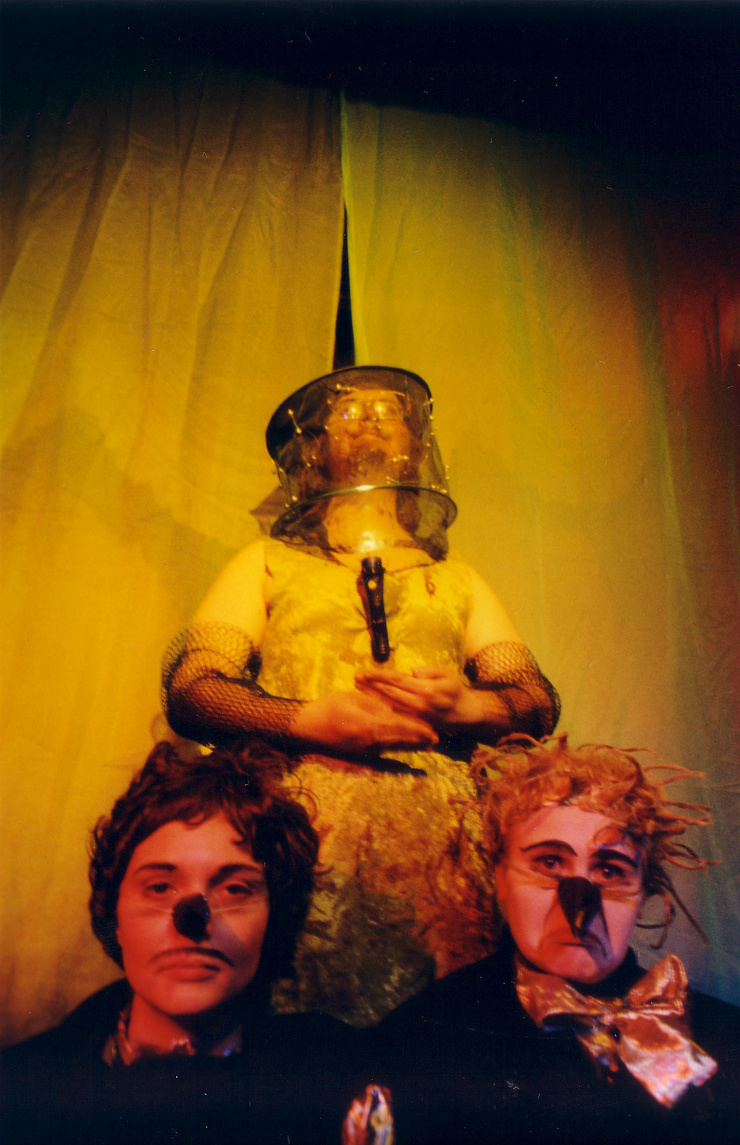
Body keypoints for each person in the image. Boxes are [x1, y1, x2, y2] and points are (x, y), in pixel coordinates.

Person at [161, 365, 560, 1024]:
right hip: (303, 839)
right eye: (348, 412)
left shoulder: (454, 576)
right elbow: (194, 691)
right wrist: (308, 720)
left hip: (446, 852)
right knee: (307, 1032)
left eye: (389, 410)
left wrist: (468, 706)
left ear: (415, 440)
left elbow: (534, 700)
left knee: (448, 1028)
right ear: (315, 447)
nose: (370, 419)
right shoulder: (268, 562)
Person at [369, 734, 740, 1145]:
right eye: (549, 863)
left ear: (642, 895)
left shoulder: (726, 1039)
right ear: (501, 876)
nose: (579, 907)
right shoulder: (420, 1041)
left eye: (610, 871)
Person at [1, 741, 359, 1145]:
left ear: (273, 919)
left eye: (235, 889)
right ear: (115, 918)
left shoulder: (337, 1081)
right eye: (159, 887)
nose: (193, 921)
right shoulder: (18, 1093)